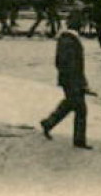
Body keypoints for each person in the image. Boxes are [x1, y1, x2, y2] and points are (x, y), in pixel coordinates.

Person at [40, 12, 95, 149]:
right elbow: (72, 65)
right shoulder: (70, 41)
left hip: (69, 79)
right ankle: (78, 141)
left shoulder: (66, 39)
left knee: (70, 104)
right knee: (80, 109)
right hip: (72, 80)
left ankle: (49, 123)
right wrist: (80, 83)